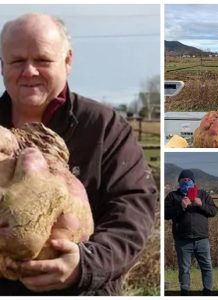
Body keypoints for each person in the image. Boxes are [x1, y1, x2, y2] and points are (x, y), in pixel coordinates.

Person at [0, 13, 157, 296]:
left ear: (68, 61)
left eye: (43, 60)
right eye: (17, 61)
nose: (30, 71)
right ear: (2, 66)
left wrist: (85, 265)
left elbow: (132, 210)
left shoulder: (104, 127)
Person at [165, 169, 218, 296]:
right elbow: (166, 214)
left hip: (202, 239)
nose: (186, 182)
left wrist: (201, 205)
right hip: (182, 240)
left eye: (189, 180)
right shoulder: (173, 196)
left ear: (194, 182)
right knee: (184, 269)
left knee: (206, 267)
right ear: (179, 182)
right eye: (183, 180)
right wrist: (181, 207)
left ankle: (208, 291)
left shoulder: (203, 194)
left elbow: (214, 211)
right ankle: (185, 291)